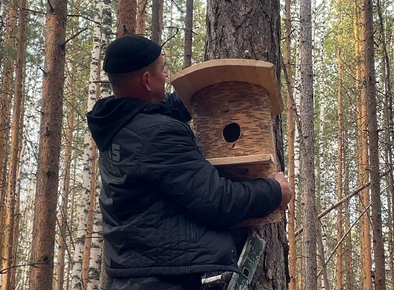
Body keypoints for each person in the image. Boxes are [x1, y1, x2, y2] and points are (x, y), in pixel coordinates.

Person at [86, 35, 294, 290]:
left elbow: (160, 111)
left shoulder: (116, 124)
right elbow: (217, 200)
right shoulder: (158, 135)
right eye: (162, 69)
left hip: (131, 274)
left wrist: (202, 93)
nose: (167, 74)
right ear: (147, 80)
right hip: (162, 282)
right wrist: (275, 191)